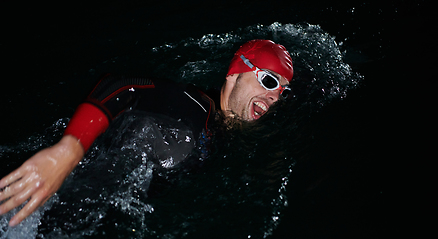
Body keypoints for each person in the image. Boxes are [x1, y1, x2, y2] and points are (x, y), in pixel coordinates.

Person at [0, 39, 293, 226]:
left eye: (282, 90)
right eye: (268, 81)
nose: (275, 96)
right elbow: (121, 85)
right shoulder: (192, 104)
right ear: (235, 73)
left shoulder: (223, 130)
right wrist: (68, 150)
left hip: (98, 209)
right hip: (57, 190)